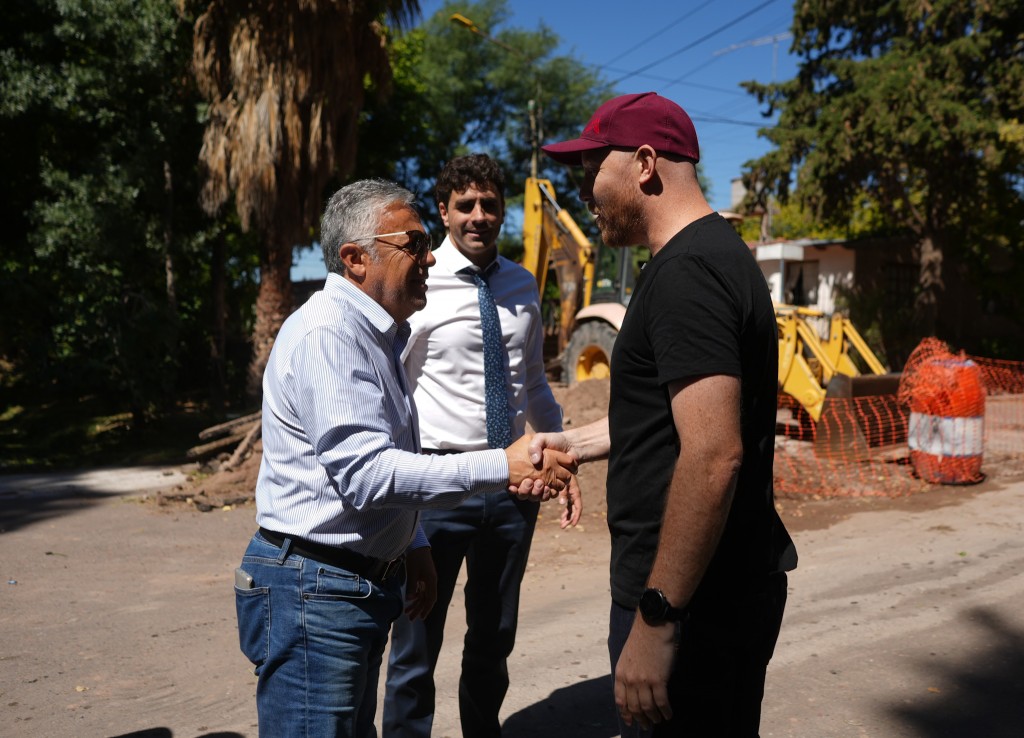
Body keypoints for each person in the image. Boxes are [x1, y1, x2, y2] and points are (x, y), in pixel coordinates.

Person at [234, 178, 576, 738]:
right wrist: (501, 466)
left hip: (346, 584)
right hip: (316, 594)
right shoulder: (331, 335)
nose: (431, 255)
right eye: (414, 243)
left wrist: (411, 541)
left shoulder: (377, 334)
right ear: (355, 259)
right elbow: (369, 473)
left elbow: (384, 453)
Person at [519, 92, 798, 736]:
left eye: (592, 166)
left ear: (645, 163)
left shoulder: (688, 274)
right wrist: (575, 443)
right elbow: (678, 416)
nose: (584, 189)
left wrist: (656, 619)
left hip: (693, 604)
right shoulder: (707, 257)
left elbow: (713, 453)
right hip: (713, 594)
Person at [383, 154, 579, 738]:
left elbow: (535, 382)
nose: (478, 216)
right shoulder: (418, 281)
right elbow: (392, 386)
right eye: (464, 205)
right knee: (417, 640)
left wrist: (563, 459)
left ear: (502, 212)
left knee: (493, 636)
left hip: (513, 484)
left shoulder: (522, 284)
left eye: (489, 205)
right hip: (438, 485)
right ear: (443, 211)